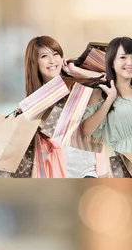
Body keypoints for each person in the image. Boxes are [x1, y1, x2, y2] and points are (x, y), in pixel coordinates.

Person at [23, 36, 104, 178]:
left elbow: (111, 86)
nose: (52, 60)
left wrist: (77, 72)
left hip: (87, 171)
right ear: (34, 63)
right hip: (56, 172)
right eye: (44, 56)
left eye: (55, 54)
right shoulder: (34, 103)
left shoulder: (79, 87)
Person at [81, 37, 132, 175]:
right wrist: (110, 99)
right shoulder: (101, 92)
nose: (130, 62)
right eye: (123, 57)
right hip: (121, 163)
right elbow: (86, 130)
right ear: (111, 62)